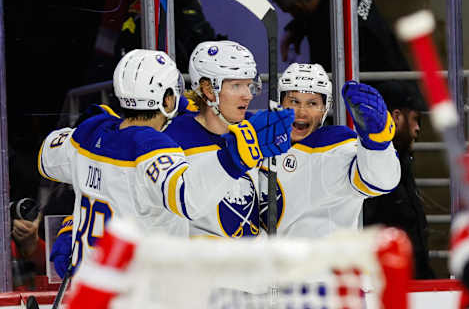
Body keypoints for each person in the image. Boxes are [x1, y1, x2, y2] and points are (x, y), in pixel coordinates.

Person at [37, 49, 293, 274]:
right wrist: (233, 158)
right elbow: (187, 198)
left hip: (91, 289)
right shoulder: (152, 150)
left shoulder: (88, 135)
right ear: (168, 99)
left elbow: (46, 158)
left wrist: (71, 225)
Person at [166, 40, 294, 238]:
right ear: (208, 90)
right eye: (236, 86)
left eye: (249, 85)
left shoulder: (259, 129)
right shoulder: (174, 138)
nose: (247, 96)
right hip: (199, 263)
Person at [258, 63, 400, 238]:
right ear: (280, 102)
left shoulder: (336, 145)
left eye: (312, 103)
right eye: (294, 101)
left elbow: (381, 181)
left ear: (325, 108)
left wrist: (377, 144)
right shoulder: (259, 142)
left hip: (322, 263)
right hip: (267, 262)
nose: (301, 112)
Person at [362, 80, 435, 279]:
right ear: (396, 117)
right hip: (389, 279)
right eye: (415, 119)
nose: (417, 129)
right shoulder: (374, 169)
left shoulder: (401, 161)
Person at [271, 0, 411, 74]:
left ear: (298, 7)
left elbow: (324, 77)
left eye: (291, 12)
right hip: (397, 77)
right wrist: (295, 29)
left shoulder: (327, 26)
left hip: (378, 96)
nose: (293, 16)